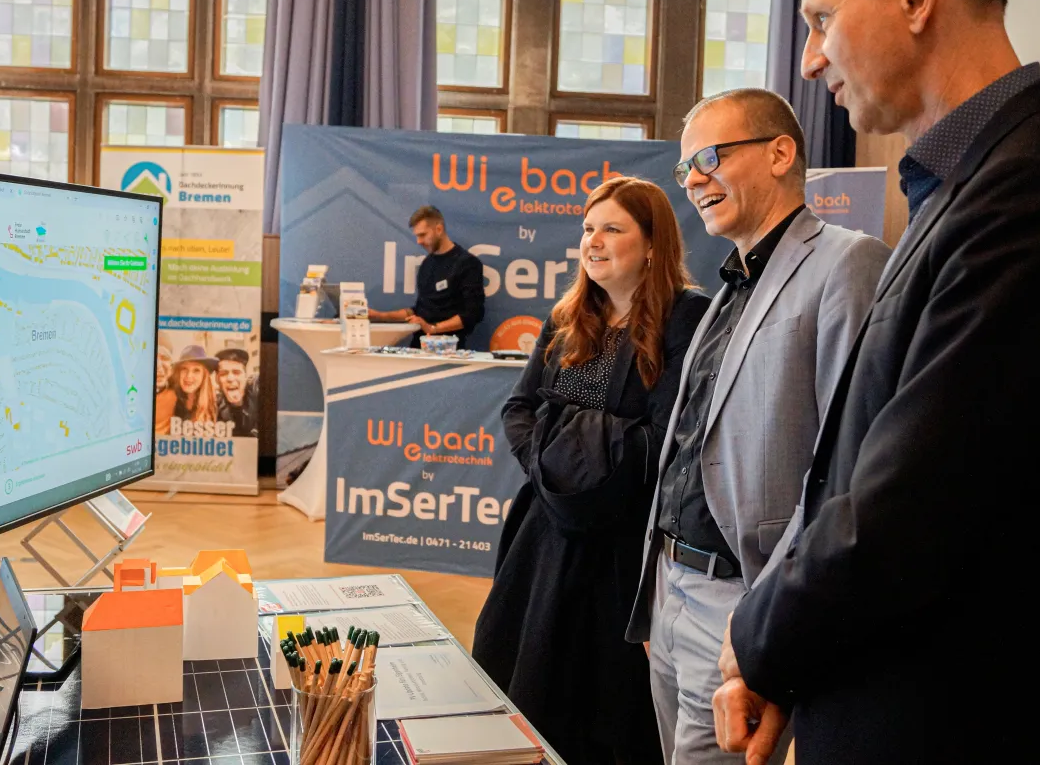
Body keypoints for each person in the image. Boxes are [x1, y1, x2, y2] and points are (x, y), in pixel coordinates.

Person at [715, 0, 1040, 763]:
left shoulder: (1036, 196)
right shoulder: (969, 183)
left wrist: (757, 637)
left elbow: (907, 511)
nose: (810, 60)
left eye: (819, 22)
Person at [623, 89, 889, 765]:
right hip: (672, 590)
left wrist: (773, 616)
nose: (693, 181)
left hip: (743, 595)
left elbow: (848, 461)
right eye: (684, 169)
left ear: (779, 153)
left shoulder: (846, 262)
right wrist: (660, 592)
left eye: (709, 157)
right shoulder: (726, 289)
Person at [472, 176, 711, 764]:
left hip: (622, 544)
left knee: (605, 703)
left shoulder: (688, 317)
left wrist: (567, 442)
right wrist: (553, 468)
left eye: (612, 228)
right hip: (545, 532)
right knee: (525, 679)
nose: (593, 241)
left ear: (653, 244)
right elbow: (520, 408)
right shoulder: (568, 316)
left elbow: (668, 436)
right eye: (587, 228)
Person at [367, 205, 485, 348]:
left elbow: (473, 314)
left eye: (422, 235)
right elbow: (419, 310)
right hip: (418, 347)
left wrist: (433, 328)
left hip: (449, 351)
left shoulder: (467, 264)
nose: (419, 241)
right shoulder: (426, 264)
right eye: (417, 236)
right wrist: (379, 316)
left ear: (439, 229)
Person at [154, 345, 220, 437]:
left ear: (204, 376)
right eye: (184, 369)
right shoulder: (171, 396)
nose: (189, 376)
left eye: (196, 370)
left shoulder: (216, 404)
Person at [215, 347, 259, 437]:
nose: (230, 379)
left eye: (236, 372)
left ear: (246, 376)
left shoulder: (258, 396)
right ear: (217, 379)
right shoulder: (215, 409)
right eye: (223, 374)